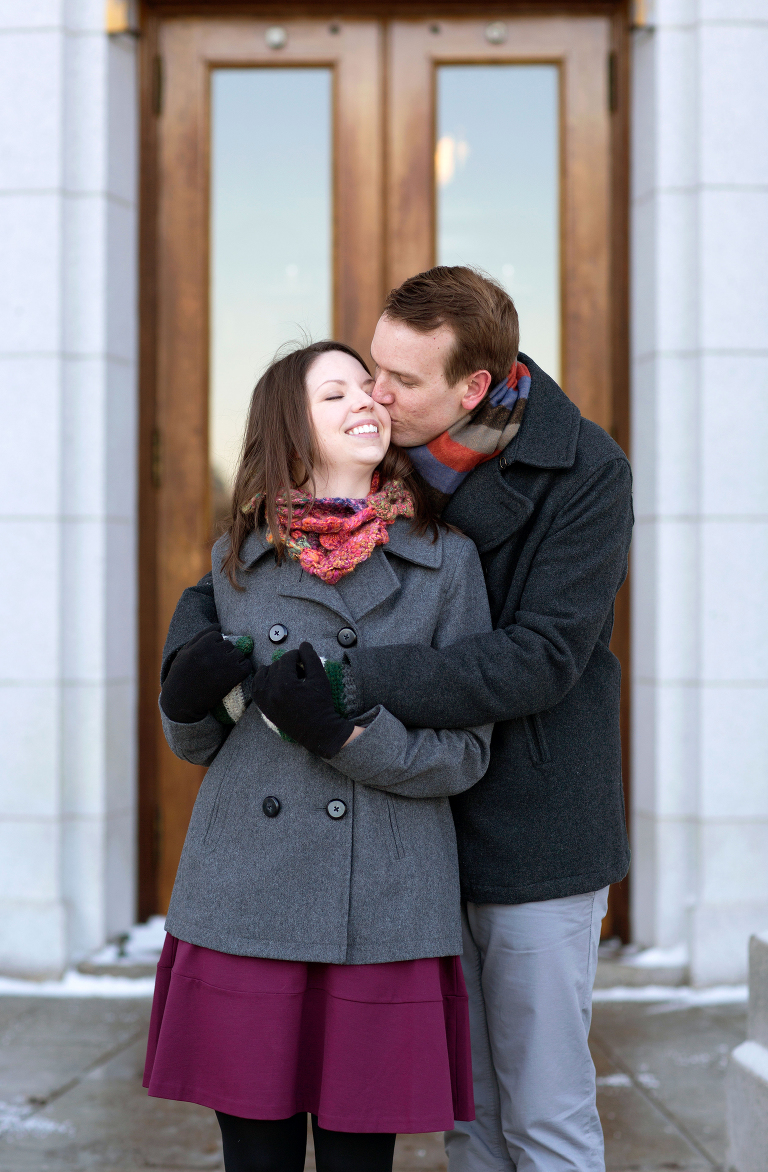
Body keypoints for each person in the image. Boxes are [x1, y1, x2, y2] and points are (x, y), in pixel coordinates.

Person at [171, 266, 634, 1172]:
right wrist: (188, 667)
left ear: (472, 388)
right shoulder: (383, 460)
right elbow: (241, 580)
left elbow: (540, 655)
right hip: (400, 851)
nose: (375, 395)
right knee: (470, 1115)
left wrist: (343, 686)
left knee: (542, 1109)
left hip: (529, 816)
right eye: (365, 371)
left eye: (398, 380)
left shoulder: (582, 473)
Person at [144, 340, 494, 1172]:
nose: (365, 403)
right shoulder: (237, 559)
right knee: (255, 1159)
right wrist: (183, 704)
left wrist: (346, 737)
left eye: (368, 389)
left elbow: (465, 755)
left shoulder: (446, 561)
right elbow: (204, 743)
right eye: (334, 395)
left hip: (382, 903)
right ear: (290, 429)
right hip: (247, 896)